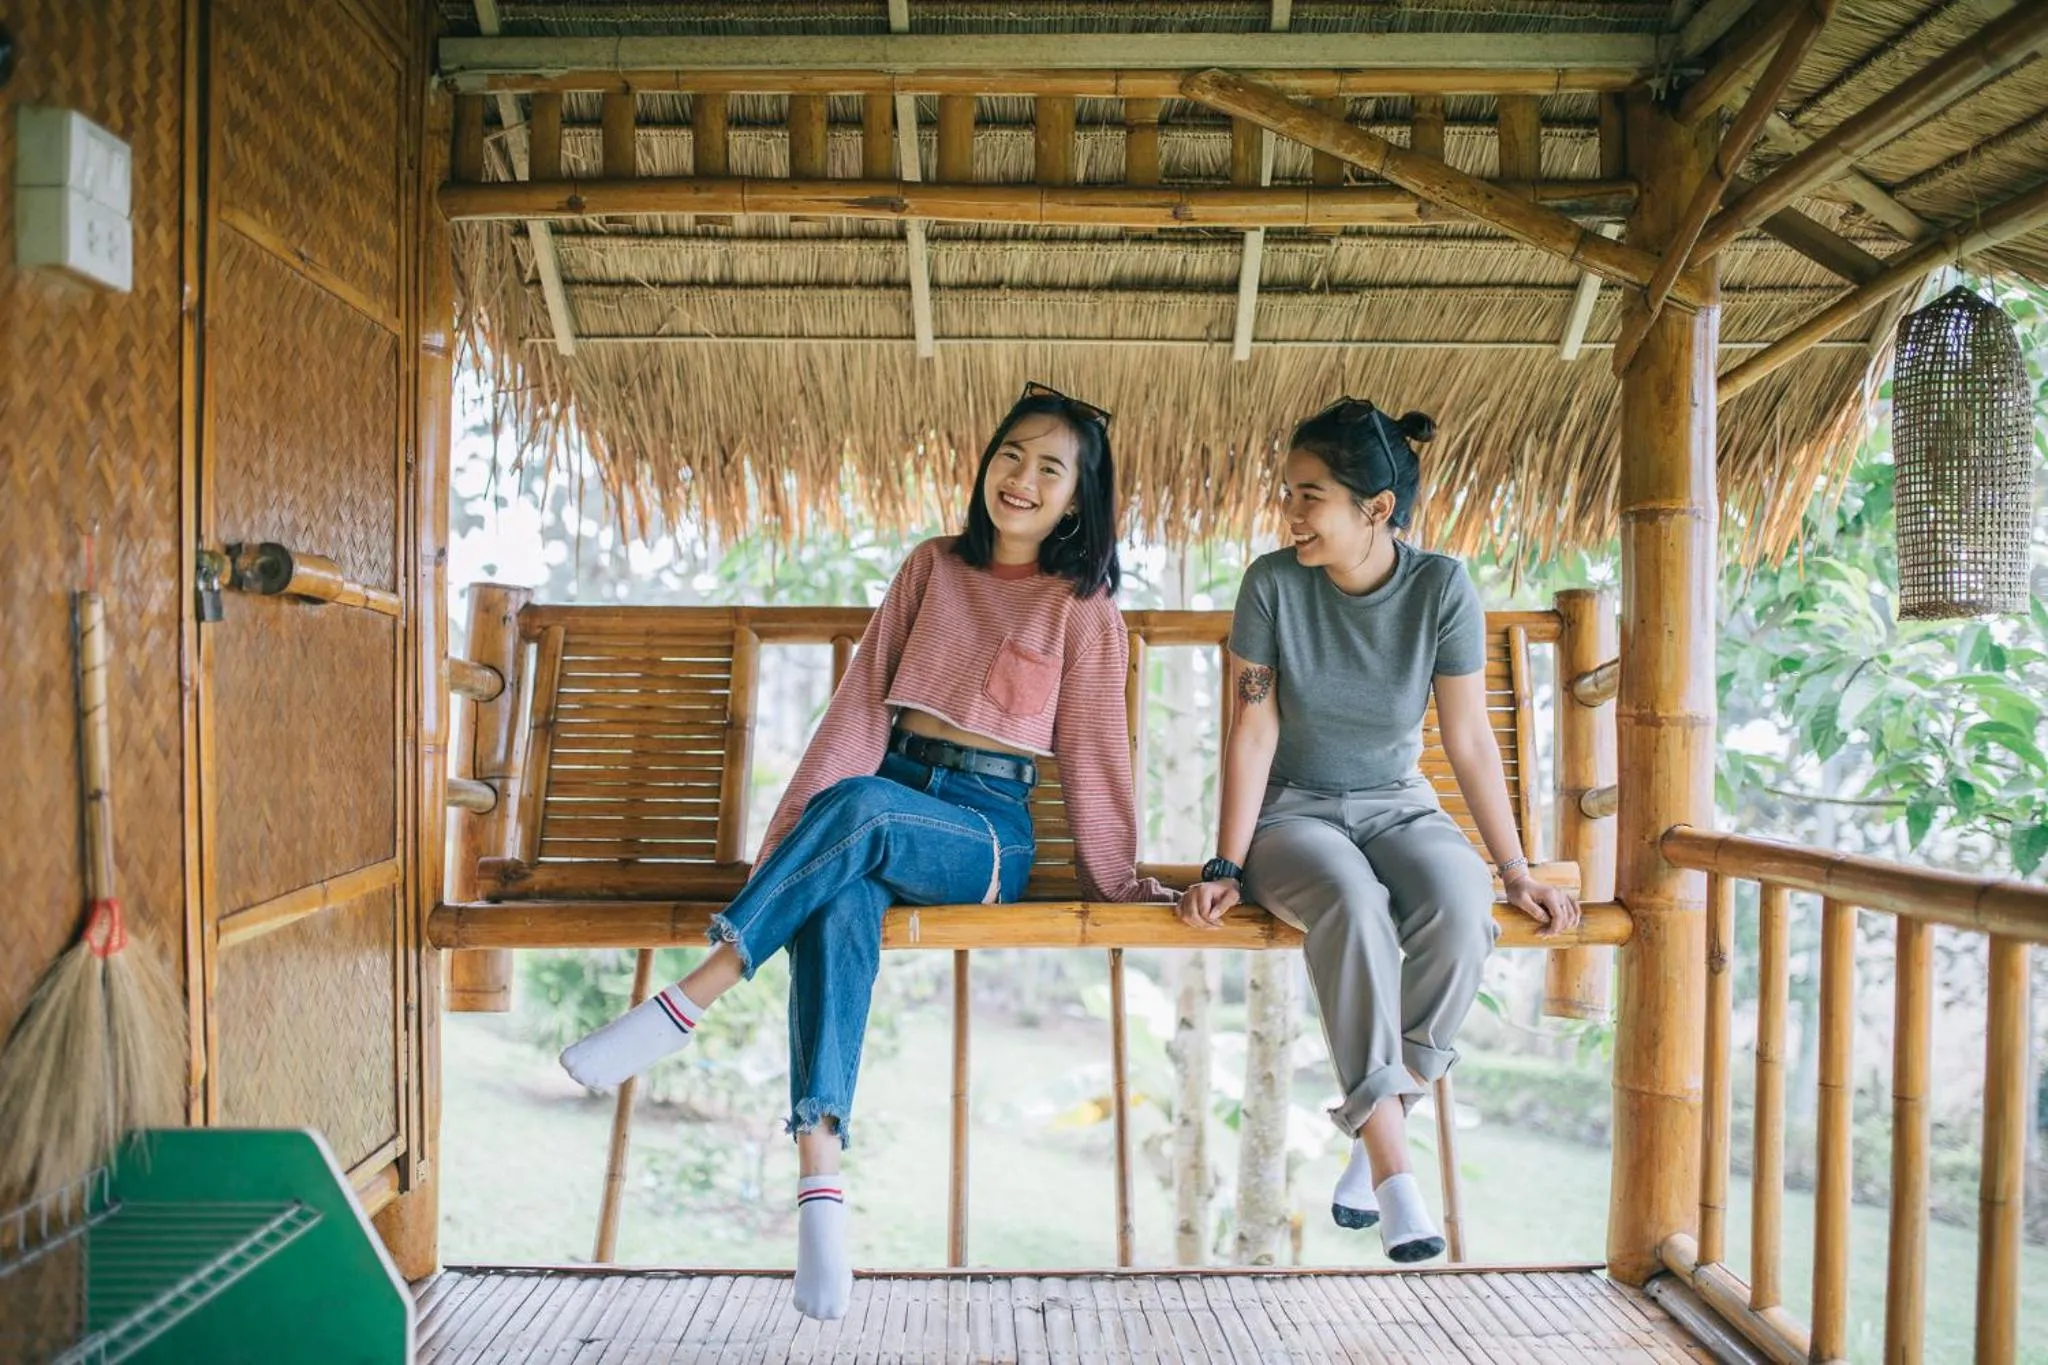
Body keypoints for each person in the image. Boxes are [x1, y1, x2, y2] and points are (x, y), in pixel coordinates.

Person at [560, 382, 1170, 1318]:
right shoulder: (932, 567)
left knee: (865, 812)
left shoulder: (1081, 607)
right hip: (883, 799)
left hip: (983, 834)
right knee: (837, 896)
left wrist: (1119, 882)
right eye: (1011, 454)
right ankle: (821, 1189)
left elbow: (1095, 751)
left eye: (1050, 469)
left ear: (1077, 501)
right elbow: (858, 710)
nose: (1021, 477)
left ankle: (685, 1003)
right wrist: (788, 847)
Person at [1176, 396, 1581, 1263]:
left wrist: (1515, 868)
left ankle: (1374, 1124)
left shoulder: (1440, 586)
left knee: (1462, 903)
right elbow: (1253, 728)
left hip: (1401, 803)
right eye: (1288, 492)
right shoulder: (1272, 584)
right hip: (1295, 813)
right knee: (1352, 901)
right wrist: (1225, 864)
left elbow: (1468, 738)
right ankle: (1396, 1175)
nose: (1290, 512)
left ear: (1378, 507)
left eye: (1309, 495)